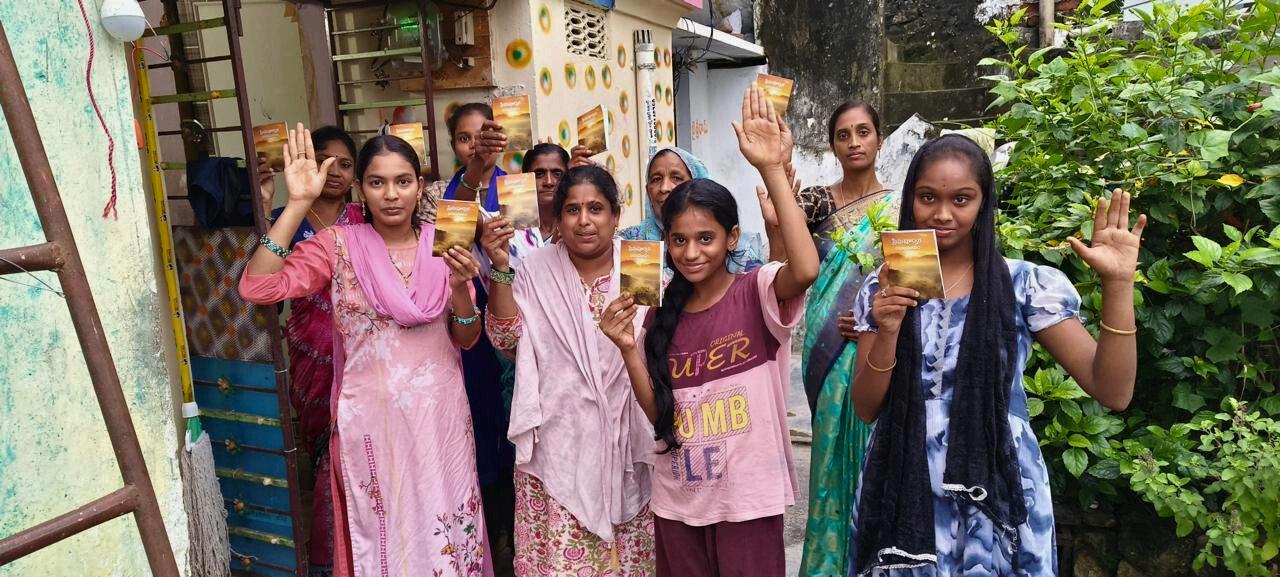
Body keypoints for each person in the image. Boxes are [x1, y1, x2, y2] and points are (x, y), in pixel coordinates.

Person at [847, 135, 1143, 576]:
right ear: (910, 199)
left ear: (983, 203)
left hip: (996, 492)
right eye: (928, 197)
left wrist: (1118, 284)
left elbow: (1113, 391)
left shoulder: (1023, 286)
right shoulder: (884, 286)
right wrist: (888, 329)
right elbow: (866, 407)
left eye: (961, 199)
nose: (942, 214)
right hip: (902, 487)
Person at [240, 125, 491, 577]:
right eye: (377, 182)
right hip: (373, 426)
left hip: (440, 422)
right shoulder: (338, 246)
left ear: (420, 185)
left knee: (445, 535)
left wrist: (459, 289)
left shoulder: (444, 242)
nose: (391, 195)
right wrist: (296, 204)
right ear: (361, 188)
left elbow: (467, 337)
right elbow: (258, 287)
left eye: (403, 181)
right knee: (385, 538)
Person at [599, 86, 819, 577]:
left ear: (731, 238)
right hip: (677, 502)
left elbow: (805, 269)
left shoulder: (756, 292)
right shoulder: (659, 316)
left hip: (748, 500)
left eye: (706, 238)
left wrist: (772, 168)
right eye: (679, 240)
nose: (691, 252)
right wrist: (629, 349)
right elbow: (659, 414)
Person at [481, 166, 657, 576]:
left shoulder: (640, 264)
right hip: (557, 442)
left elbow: (659, 347)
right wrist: (501, 266)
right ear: (558, 219)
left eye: (596, 208)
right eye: (572, 210)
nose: (584, 220)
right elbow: (505, 337)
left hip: (629, 441)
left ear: (616, 215)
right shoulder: (534, 270)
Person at [256, 125, 363, 576]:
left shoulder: (366, 218)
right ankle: (329, 560)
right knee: (323, 454)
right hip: (310, 351)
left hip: (361, 356)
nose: (334, 171)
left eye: (345, 163)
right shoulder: (286, 218)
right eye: (324, 160)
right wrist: (266, 206)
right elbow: (262, 285)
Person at [796, 102, 896, 577]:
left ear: (879, 138)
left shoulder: (900, 208)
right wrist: (775, 214)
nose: (854, 142)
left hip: (876, 349)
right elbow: (789, 265)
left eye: (863, 132)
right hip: (824, 348)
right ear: (832, 145)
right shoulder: (814, 202)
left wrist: (873, 323)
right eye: (843, 134)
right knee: (828, 459)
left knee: (874, 458)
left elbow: (913, 286)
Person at [619, 146, 766, 274]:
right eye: (656, 179)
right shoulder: (631, 242)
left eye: (676, 177)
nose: (664, 188)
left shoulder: (735, 248)